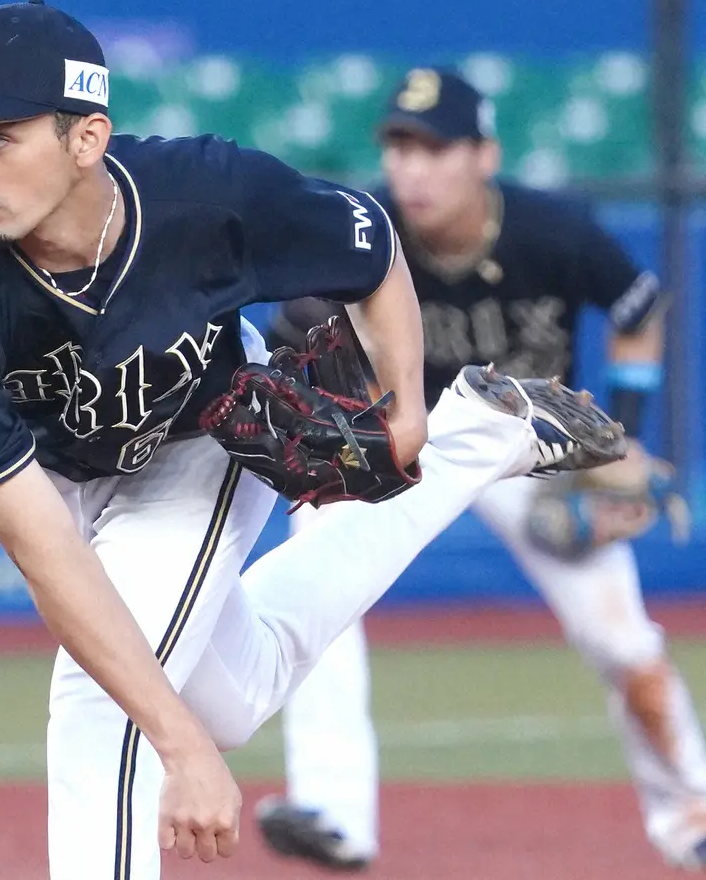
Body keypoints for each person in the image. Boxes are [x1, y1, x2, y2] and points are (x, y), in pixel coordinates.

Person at [0, 6, 620, 880]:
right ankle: (480, 435)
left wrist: (408, 411)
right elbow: (45, 552)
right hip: (65, 479)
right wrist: (186, 743)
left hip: (203, 434)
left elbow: (369, 247)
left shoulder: (204, 195)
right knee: (227, 702)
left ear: (87, 138)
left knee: (98, 707)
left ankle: (455, 436)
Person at [256, 67, 706, 873]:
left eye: (436, 149)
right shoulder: (364, 233)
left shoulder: (550, 229)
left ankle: (692, 810)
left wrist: (626, 439)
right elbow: (293, 334)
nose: (414, 170)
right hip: (406, 442)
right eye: (400, 148)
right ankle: (333, 812)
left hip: (527, 447)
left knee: (622, 644)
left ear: (485, 155)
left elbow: (638, 309)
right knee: (316, 580)